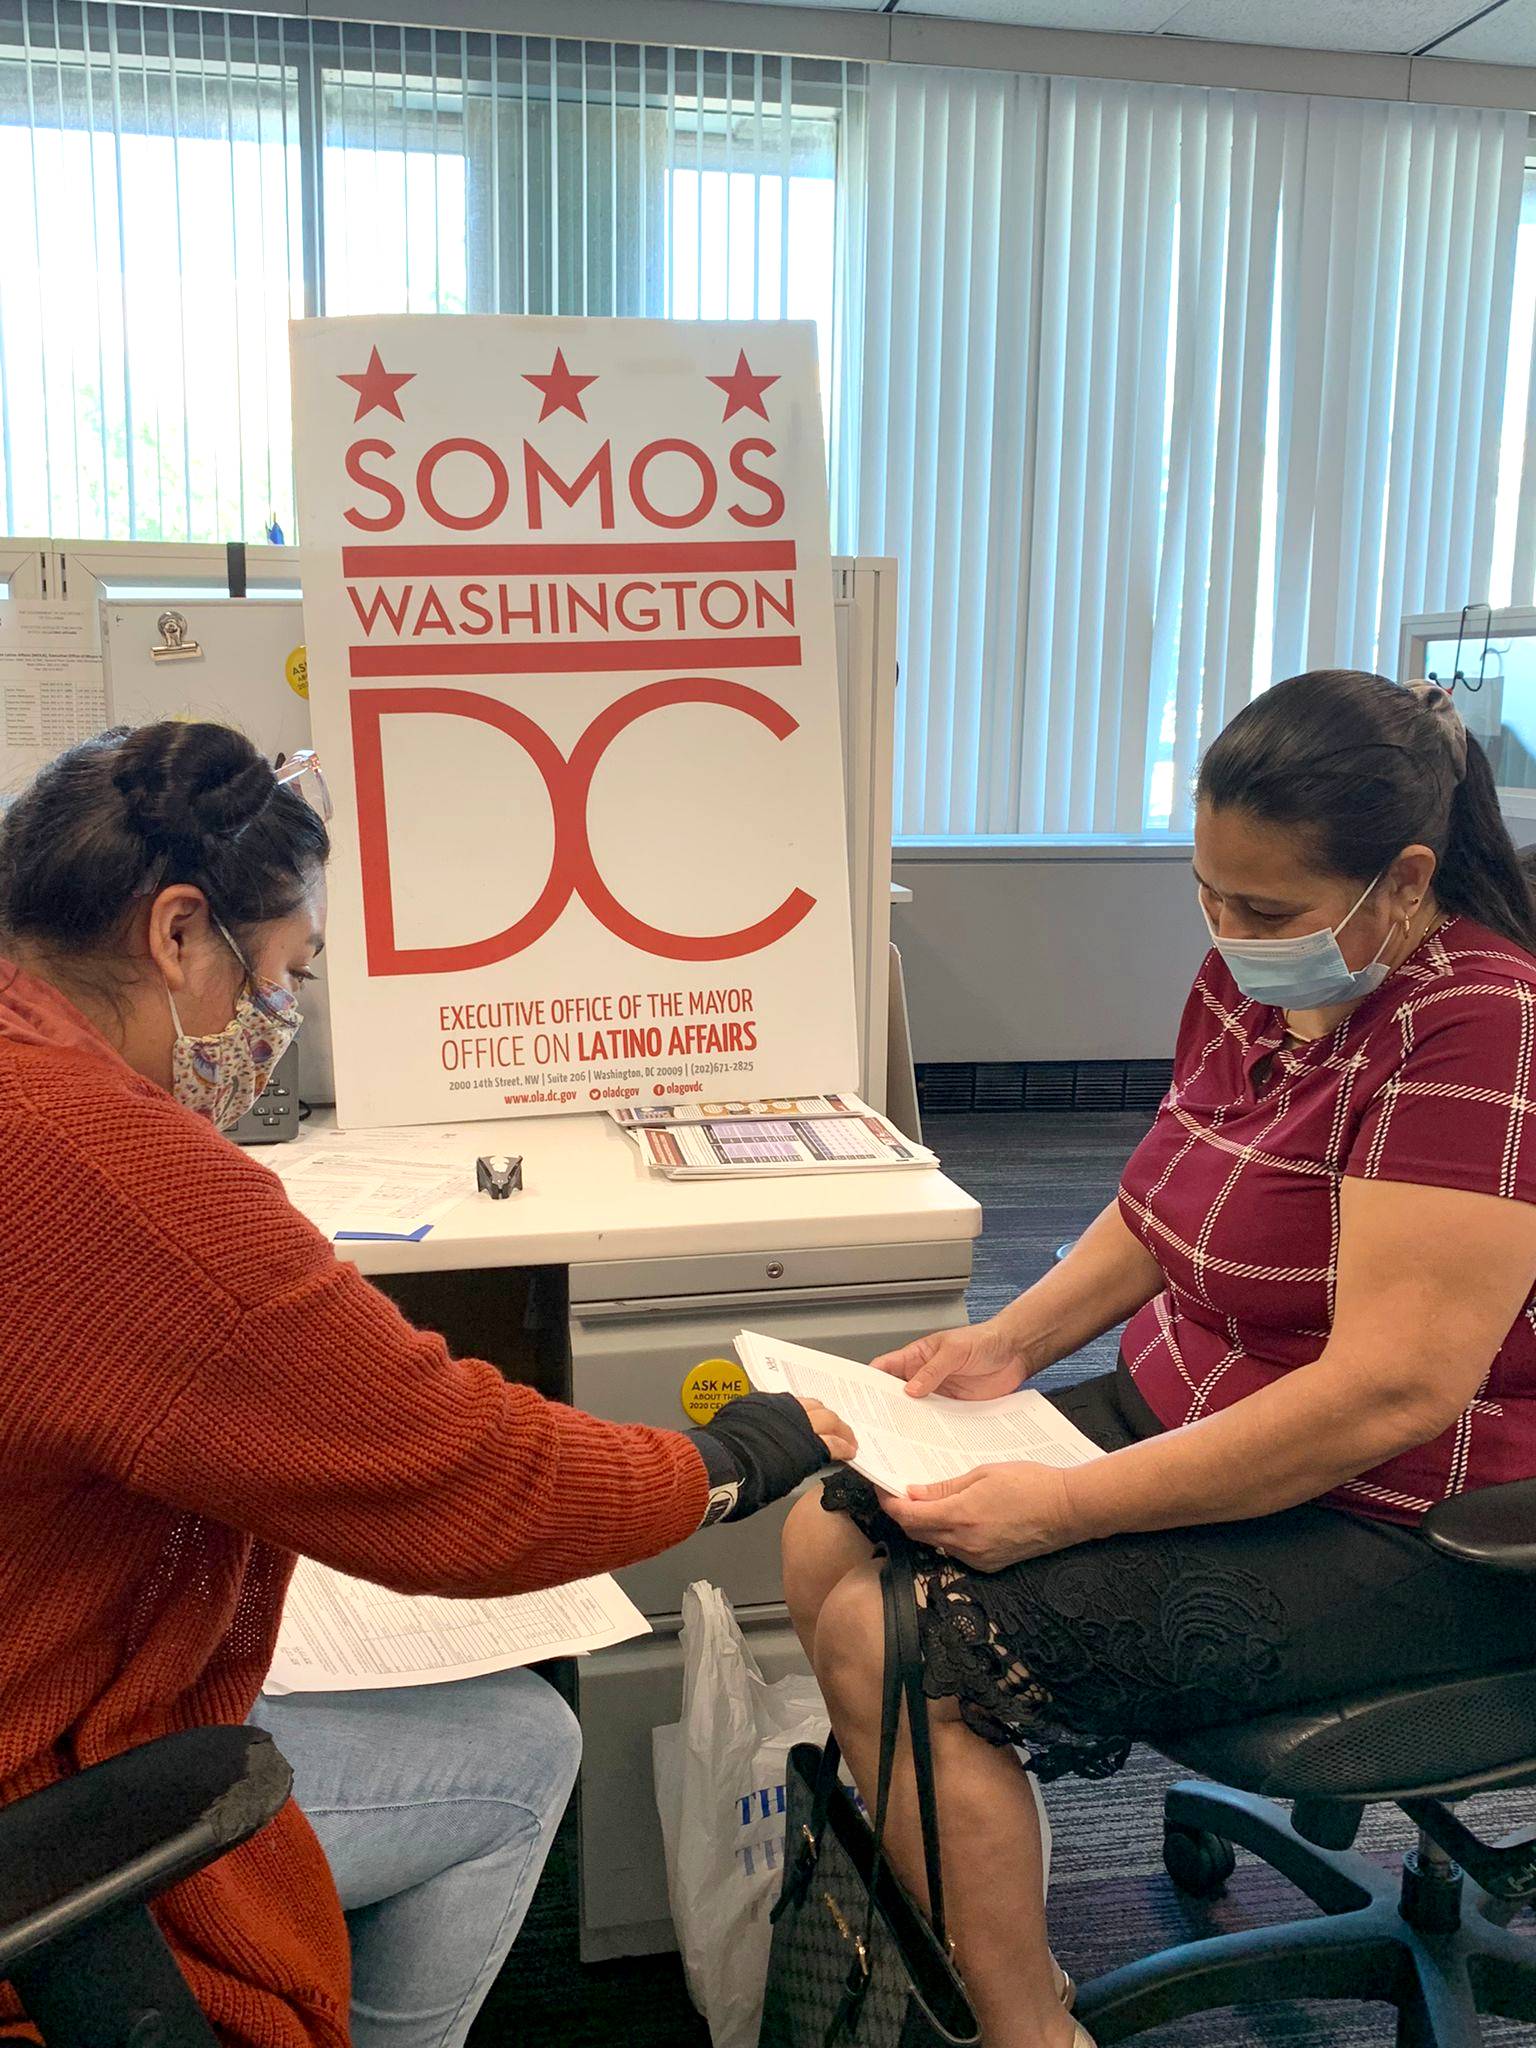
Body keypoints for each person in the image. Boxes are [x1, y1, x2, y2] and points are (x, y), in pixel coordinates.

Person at [0, 720, 855, 2048]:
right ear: (175, 936)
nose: (270, 1026)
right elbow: (478, 1479)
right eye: (274, 978)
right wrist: (729, 1461)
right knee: (521, 1750)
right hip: (28, 1798)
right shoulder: (122, 1175)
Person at [783, 670, 1536, 2048]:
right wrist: (1002, 1342)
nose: (1227, 934)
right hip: (1197, 1411)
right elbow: (1160, 1198)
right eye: (1207, 892)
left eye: (1264, 910)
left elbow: (1393, 1392)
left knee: (911, 1639)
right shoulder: (1260, 984)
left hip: (1406, 1517)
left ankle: (1025, 2025)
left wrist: (1057, 1509)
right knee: (831, 1532)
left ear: (1406, 877)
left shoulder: (1478, 1027)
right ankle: (1000, 1964)